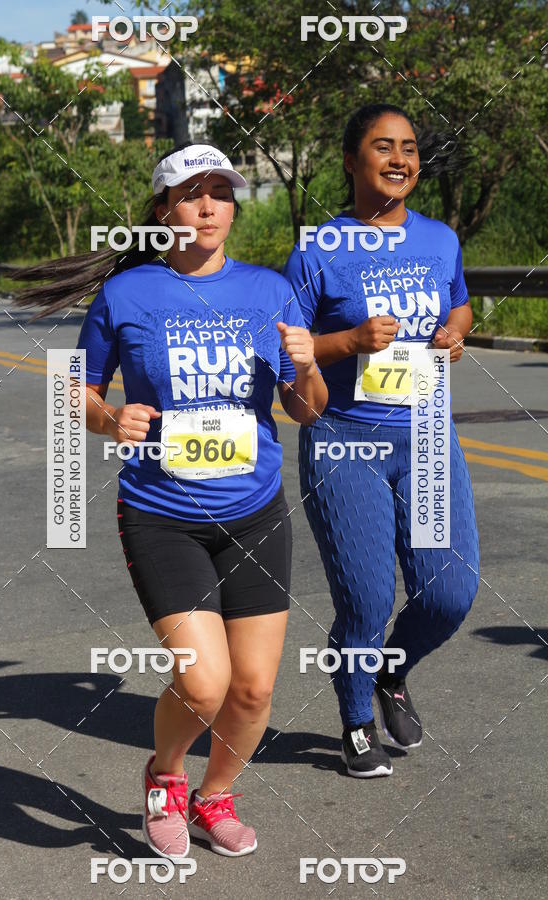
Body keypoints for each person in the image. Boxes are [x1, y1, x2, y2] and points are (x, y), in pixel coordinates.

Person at [14, 142, 327, 857]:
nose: (210, 205)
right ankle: (165, 777)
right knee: (206, 681)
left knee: (252, 693)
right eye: (193, 193)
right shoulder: (128, 295)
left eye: (222, 192)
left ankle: (215, 796)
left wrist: (307, 367)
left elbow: (307, 410)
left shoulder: (269, 291)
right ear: (165, 209)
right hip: (162, 516)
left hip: (254, 514)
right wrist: (106, 418)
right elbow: (76, 391)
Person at [283, 104, 479, 778]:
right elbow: (288, 348)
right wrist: (350, 342)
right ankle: (357, 720)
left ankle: (393, 670)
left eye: (410, 149)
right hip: (345, 440)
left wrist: (456, 331)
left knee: (449, 591)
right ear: (350, 160)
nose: (400, 160)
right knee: (364, 600)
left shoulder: (440, 239)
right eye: (382, 148)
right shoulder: (318, 247)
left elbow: (460, 303)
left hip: (426, 432)